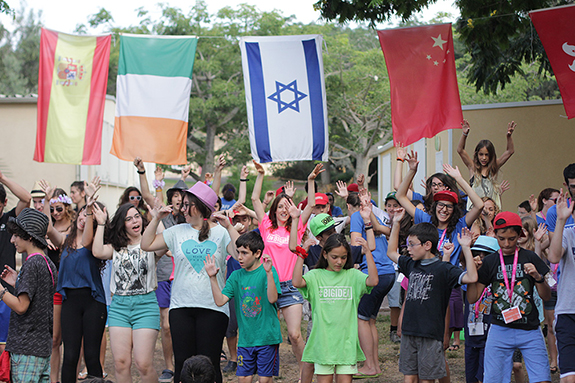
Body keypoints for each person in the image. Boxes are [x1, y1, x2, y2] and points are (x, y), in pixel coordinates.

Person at [141, 181, 236, 383]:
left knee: (210, 366)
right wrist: (156, 217)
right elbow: (146, 244)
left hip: (214, 308)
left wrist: (229, 227)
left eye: (186, 204)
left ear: (199, 206)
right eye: (181, 204)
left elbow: (239, 254)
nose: (182, 208)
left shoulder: (220, 232)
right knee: (183, 366)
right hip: (181, 308)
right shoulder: (176, 231)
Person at [250, 161, 322, 383]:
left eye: (287, 207)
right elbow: (254, 200)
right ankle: (264, 374)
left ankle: (305, 375)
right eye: (280, 207)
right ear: (275, 209)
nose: (283, 210)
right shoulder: (266, 225)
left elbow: (310, 204)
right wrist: (260, 175)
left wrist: (310, 181)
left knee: (294, 335)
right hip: (268, 285)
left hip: (291, 286)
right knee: (267, 336)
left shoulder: (297, 225)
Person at [386, 209, 478, 383]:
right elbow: (391, 252)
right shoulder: (411, 264)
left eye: (412, 244)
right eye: (407, 244)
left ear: (427, 245)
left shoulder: (444, 269)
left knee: (427, 379)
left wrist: (466, 248)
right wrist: (396, 223)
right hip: (409, 331)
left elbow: (472, 277)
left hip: (430, 334)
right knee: (409, 377)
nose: (409, 248)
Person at [467, 211, 551, 383]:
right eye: (501, 238)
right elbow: (472, 298)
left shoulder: (530, 257)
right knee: (493, 379)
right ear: (495, 235)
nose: (506, 244)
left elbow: (547, 296)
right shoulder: (491, 261)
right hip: (500, 329)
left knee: (542, 378)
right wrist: (472, 273)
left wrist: (538, 277)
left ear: (519, 235)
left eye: (512, 238)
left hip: (530, 330)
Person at [292, 233, 379, 383]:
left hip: (346, 345)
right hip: (323, 345)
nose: (339, 261)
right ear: (325, 254)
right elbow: (297, 282)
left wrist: (368, 253)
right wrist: (302, 254)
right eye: (334, 257)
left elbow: (373, 280)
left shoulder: (353, 275)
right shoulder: (316, 275)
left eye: (343, 257)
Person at [91, 202, 162, 383]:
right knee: (121, 363)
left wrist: (157, 217)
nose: (134, 221)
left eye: (137, 216)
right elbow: (97, 251)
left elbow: (167, 240)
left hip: (145, 306)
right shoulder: (116, 247)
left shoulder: (151, 244)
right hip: (119, 307)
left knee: (143, 363)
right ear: (123, 225)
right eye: (128, 219)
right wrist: (100, 223)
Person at [47, 187, 108, 383]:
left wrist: (89, 207)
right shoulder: (65, 241)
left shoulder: (93, 243)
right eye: (82, 213)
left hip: (93, 301)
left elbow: (87, 239)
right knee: (70, 355)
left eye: (88, 214)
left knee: (91, 355)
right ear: (76, 216)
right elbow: (49, 229)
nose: (84, 217)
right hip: (70, 302)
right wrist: (49, 201)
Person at [205, 231, 282, 383]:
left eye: (244, 253)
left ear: (257, 253)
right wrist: (212, 278)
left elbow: (273, 299)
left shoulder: (268, 271)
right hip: (246, 340)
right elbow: (220, 301)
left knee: (264, 380)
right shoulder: (236, 276)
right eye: (238, 252)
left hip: (267, 338)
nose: (239, 257)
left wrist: (268, 274)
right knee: (243, 379)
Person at [2, 208, 57, 382]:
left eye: (16, 235)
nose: (12, 240)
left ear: (30, 236)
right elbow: (39, 296)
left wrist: (1, 291)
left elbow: (21, 306)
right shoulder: (47, 263)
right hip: (42, 348)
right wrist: (18, 282)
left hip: (26, 349)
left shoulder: (31, 263)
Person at [348, 190, 395, 378]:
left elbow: (355, 246)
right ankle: (374, 364)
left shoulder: (357, 217)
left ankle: (369, 365)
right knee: (370, 320)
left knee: (361, 319)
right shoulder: (376, 216)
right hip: (388, 273)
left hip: (373, 273)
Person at [0, 171, 31, 353]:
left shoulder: (9, 220)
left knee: (3, 345)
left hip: (5, 292)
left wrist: (3, 178)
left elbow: (26, 199)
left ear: (4, 203)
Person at [462, 235, 499, 383]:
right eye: (477, 254)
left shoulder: (497, 278)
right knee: (470, 376)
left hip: (490, 335)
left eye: (486, 255)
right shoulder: (469, 277)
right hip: (471, 334)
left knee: (485, 376)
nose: (480, 258)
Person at [457, 119, 516, 209]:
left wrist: (509, 136)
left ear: (491, 155)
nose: (484, 158)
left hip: (491, 211)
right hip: (474, 211)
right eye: (481, 154)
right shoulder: (473, 167)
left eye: (487, 155)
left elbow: (510, 151)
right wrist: (464, 134)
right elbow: (460, 150)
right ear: (477, 154)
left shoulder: (494, 167)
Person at [548, 190, 575, 383]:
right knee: (568, 377)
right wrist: (560, 220)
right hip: (568, 311)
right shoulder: (567, 233)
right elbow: (554, 257)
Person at [546, 163, 575, 241]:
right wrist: (561, 220)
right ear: (566, 186)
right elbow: (555, 250)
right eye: (574, 186)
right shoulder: (554, 212)